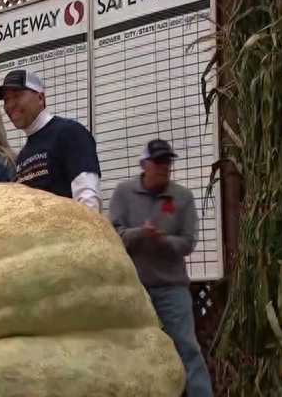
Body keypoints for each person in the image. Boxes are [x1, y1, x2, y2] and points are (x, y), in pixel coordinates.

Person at [108, 138, 213, 397]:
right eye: (158, 162)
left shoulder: (182, 198)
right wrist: (140, 234)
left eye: (167, 162)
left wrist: (162, 239)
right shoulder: (124, 193)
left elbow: (188, 243)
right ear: (144, 164)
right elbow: (113, 236)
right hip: (134, 287)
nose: (164, 167)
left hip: (171, 287)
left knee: (188, 348)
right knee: (130, 349)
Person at [0, 69, 101, 212]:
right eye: (6, 100)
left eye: (17, 96)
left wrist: (87, 225)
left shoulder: (70, 133)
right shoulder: (23, 155)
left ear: (40, 98)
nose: (10, 105)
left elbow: (88, 199)